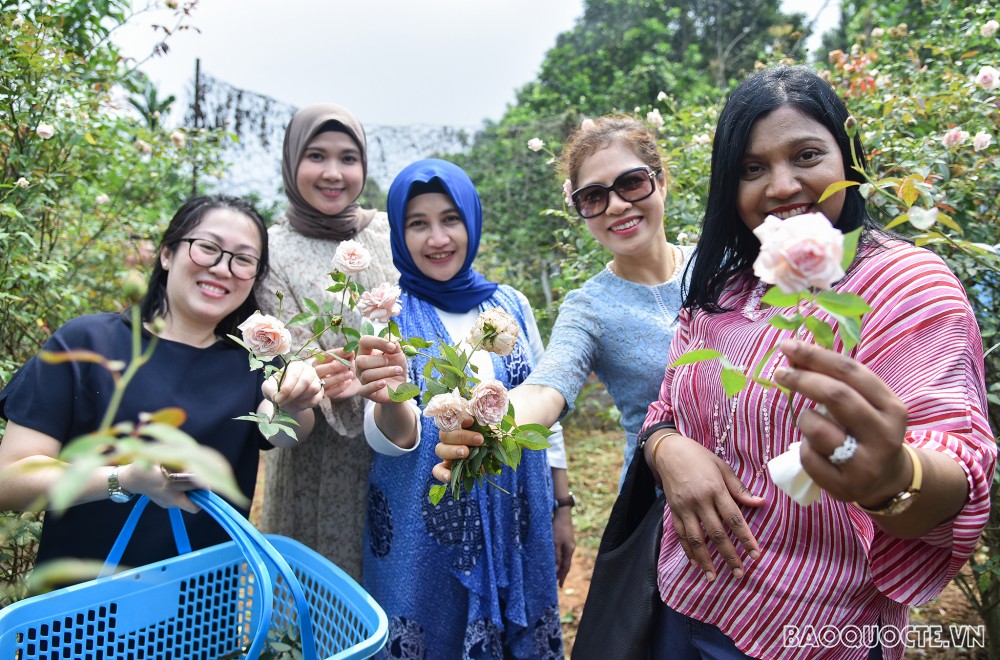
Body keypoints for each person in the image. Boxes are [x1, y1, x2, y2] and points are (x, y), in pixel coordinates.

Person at [636, 65, 994, 659]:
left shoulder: (905, 285)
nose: (780, 186)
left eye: (806, 155)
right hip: (682, 599)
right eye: (753, 168)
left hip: (813, 630)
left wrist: (894, 479)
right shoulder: (725, 289)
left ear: (848, 160)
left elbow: (956, 463)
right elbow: (667, 404)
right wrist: (666, 449)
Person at [0, 195, 323, 569]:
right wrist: (124, 478)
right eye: (207, 248)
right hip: (81, 609)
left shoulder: (253, 360)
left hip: (199, 609)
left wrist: (293, 402)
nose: (223, 268)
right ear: (167, 253)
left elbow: (284, 431)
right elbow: (9, 480)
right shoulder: (85, 344)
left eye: (243, 259)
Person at [354, 158, 566, 659]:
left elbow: (544, 409)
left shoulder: (510, 305)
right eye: (417, 224)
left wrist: (563, 507)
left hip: (517, 514)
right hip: (422, 529)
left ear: (471, 221)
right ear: (399, 235)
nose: (437, 238)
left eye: (450, 219)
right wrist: (391, 402)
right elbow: (391, 434)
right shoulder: (391, 314)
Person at [433, 114, 692, 488]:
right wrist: (487, 424)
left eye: (631, 183)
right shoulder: (589, 306)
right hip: (663, 509)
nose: (616, 205)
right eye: (594, 196)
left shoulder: (720, 267)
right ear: (579, 208)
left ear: (660, 181)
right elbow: (546, 386)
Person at [257, 103, 397, 580]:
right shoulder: (270, 250)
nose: (334, 173)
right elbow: (292, 366)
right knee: (320, 602)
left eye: (348, 158)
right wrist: (328, 375)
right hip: (313, 463)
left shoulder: (387, 232)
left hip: (401, 440)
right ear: (292, 161)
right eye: (316, 155)